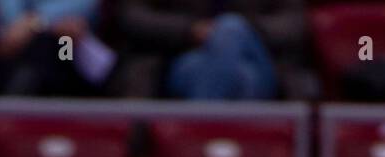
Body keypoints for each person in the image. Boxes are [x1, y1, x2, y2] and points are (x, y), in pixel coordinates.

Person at [112, 0, 305, 100]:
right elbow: (133, 16)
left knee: (231, 27)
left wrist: (245, 31)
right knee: (242, 79)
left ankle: (200, 137)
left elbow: (294, 24)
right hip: (181, 58)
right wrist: (189, 29)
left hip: (259, 58)